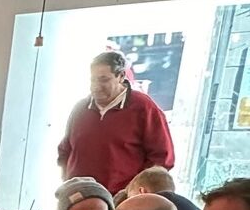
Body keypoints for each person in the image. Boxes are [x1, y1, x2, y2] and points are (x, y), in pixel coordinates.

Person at [58, 51, 173, 195]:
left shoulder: (144, 108)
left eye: (103, 79)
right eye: (93, 80)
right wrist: (67, 183)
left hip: (121, 201)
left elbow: (162, 159)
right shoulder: (80, 108)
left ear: (121, 76)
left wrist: (134, 195)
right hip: (78, 198)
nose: (96, 86)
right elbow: (64, 151)